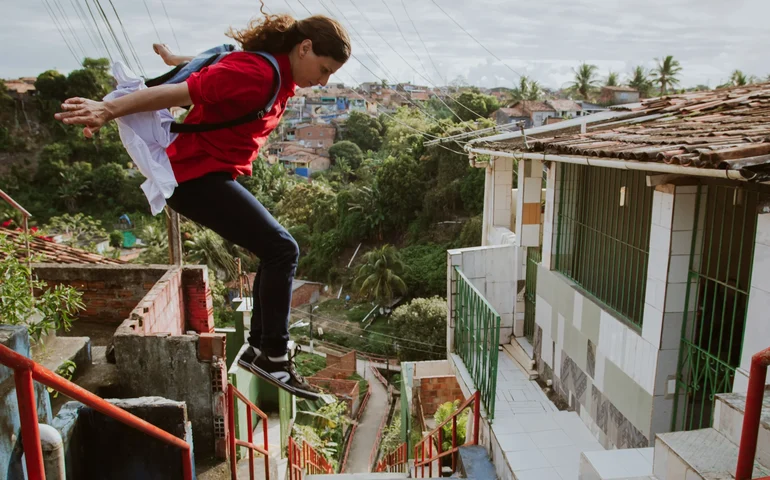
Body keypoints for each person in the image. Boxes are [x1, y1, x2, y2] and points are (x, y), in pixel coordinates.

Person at [54, 8, 351, 400]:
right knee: (282, 248)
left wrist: (180, 59)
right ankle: (271, 356)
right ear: (305, 47)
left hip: (210, 174)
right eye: (324, 68)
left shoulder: (278, 76)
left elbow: (216, 60)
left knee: (273, 250)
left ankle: (262, 350)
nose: (323, 80)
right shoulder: (258, 75)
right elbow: (179, 93)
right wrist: (107, 111)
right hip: (194, 177)